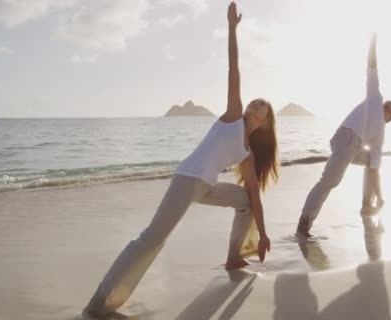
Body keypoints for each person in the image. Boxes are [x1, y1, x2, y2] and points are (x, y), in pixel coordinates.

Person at [80, 2, 278, 318]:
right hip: (188, 179)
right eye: (254, 101)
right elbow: (233, 68)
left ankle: (235, 256)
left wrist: (264, 234)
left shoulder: (247, 153)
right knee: (151, 239)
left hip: (206, 187)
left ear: (266, 120)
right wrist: (231, 28)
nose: (255, 103)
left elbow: (254, 194)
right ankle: (99, 302)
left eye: (262, 105)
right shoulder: (232, 116)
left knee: (247, 201)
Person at [296, 33, 391, 238]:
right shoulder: (375, 98)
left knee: (372, 163)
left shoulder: (380, 134)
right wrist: (372, 44)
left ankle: (365, 205)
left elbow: (375, 169)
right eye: (390, 109)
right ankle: (303, 225)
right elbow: (371, 67)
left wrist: (380, 196)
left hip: (351, 145)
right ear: (384, 107)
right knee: (328, 183)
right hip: (347, 138)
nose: (389, 113)